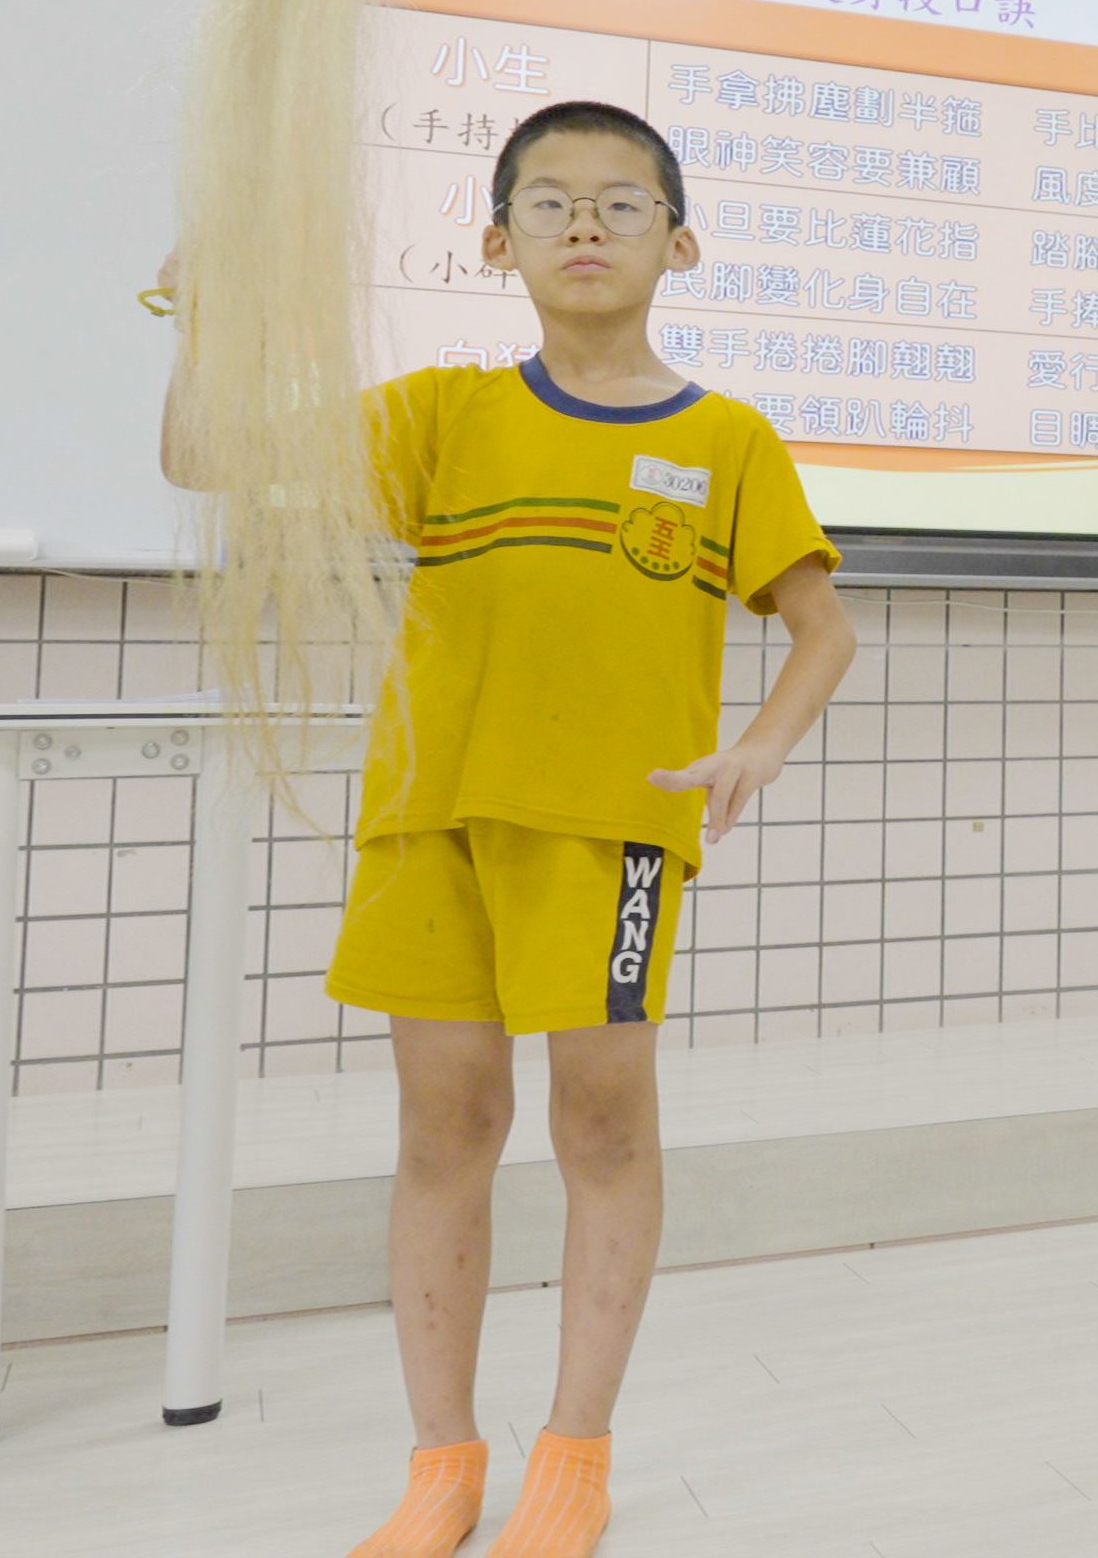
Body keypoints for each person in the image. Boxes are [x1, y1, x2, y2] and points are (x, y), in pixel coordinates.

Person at [165, 101, 855, 1558]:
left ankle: (576, 1456)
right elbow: (202, 457)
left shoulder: (726, 442)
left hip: (610, 836)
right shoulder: (440, 414)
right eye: (547, 204)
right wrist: (206, 316)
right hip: (430, 824)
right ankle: (442, 1465)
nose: (584, 225)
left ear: (682, 240)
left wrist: (761, 749)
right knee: (446, 1125)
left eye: (621, 202)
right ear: (496, 243)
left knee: (601, 1123)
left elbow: (821, 630)